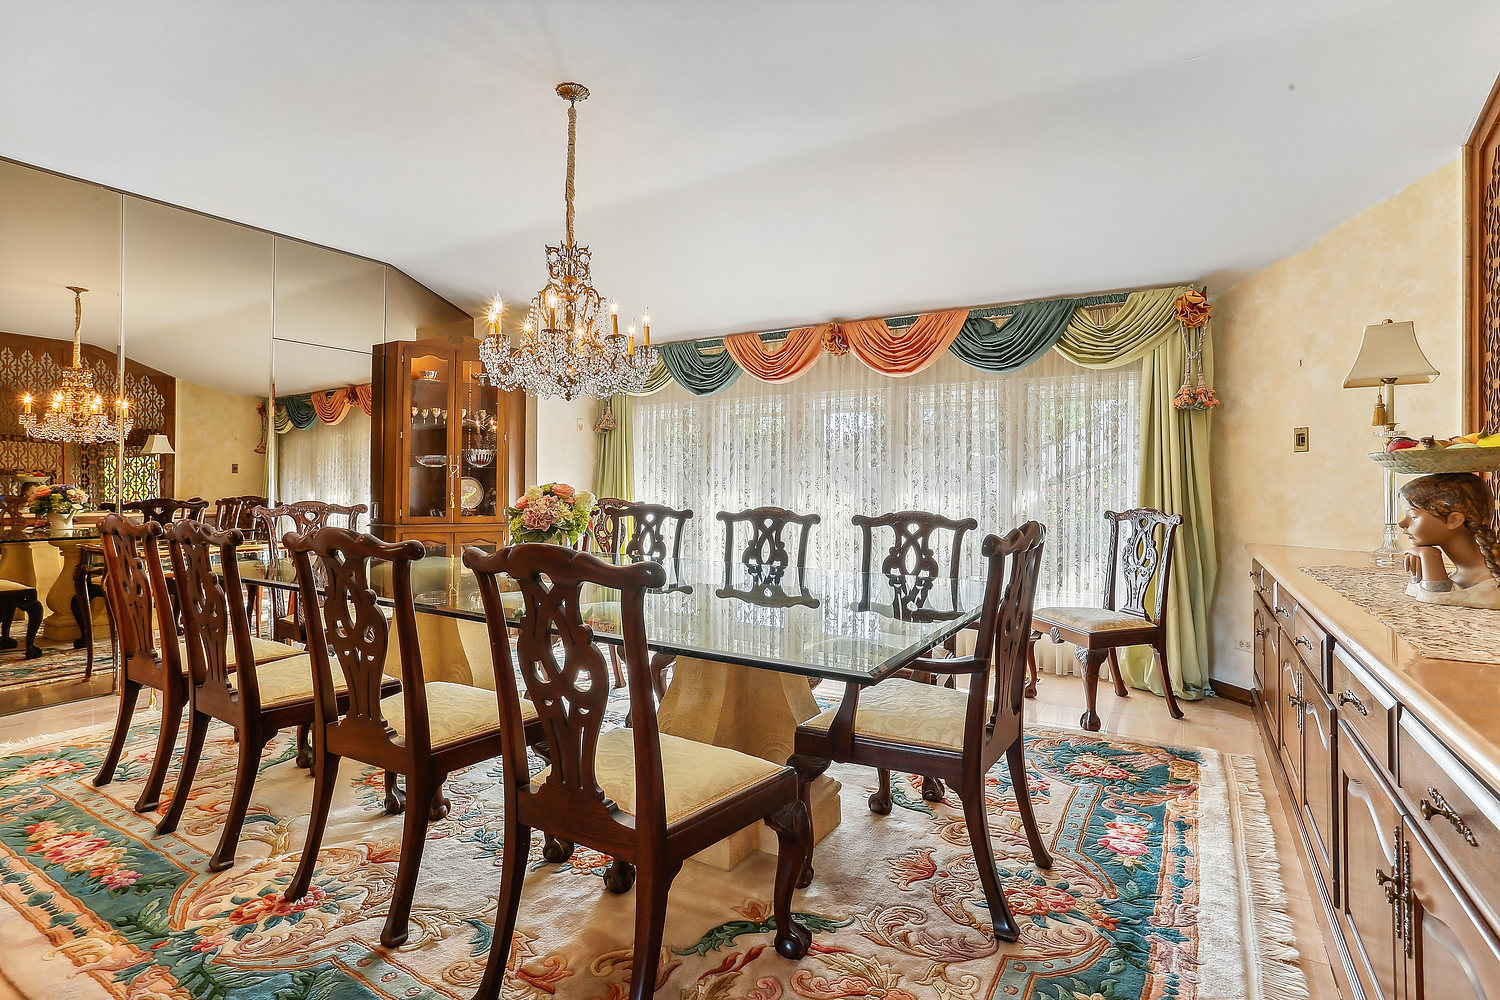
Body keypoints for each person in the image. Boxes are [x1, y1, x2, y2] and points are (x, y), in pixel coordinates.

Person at [1398, 472, 1500, 608]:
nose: (1401, 523)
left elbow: (1435, 601)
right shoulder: (1458, 576)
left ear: (1453, 520)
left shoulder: (1491, 584)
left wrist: (1429, 556)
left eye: (1413, 516)